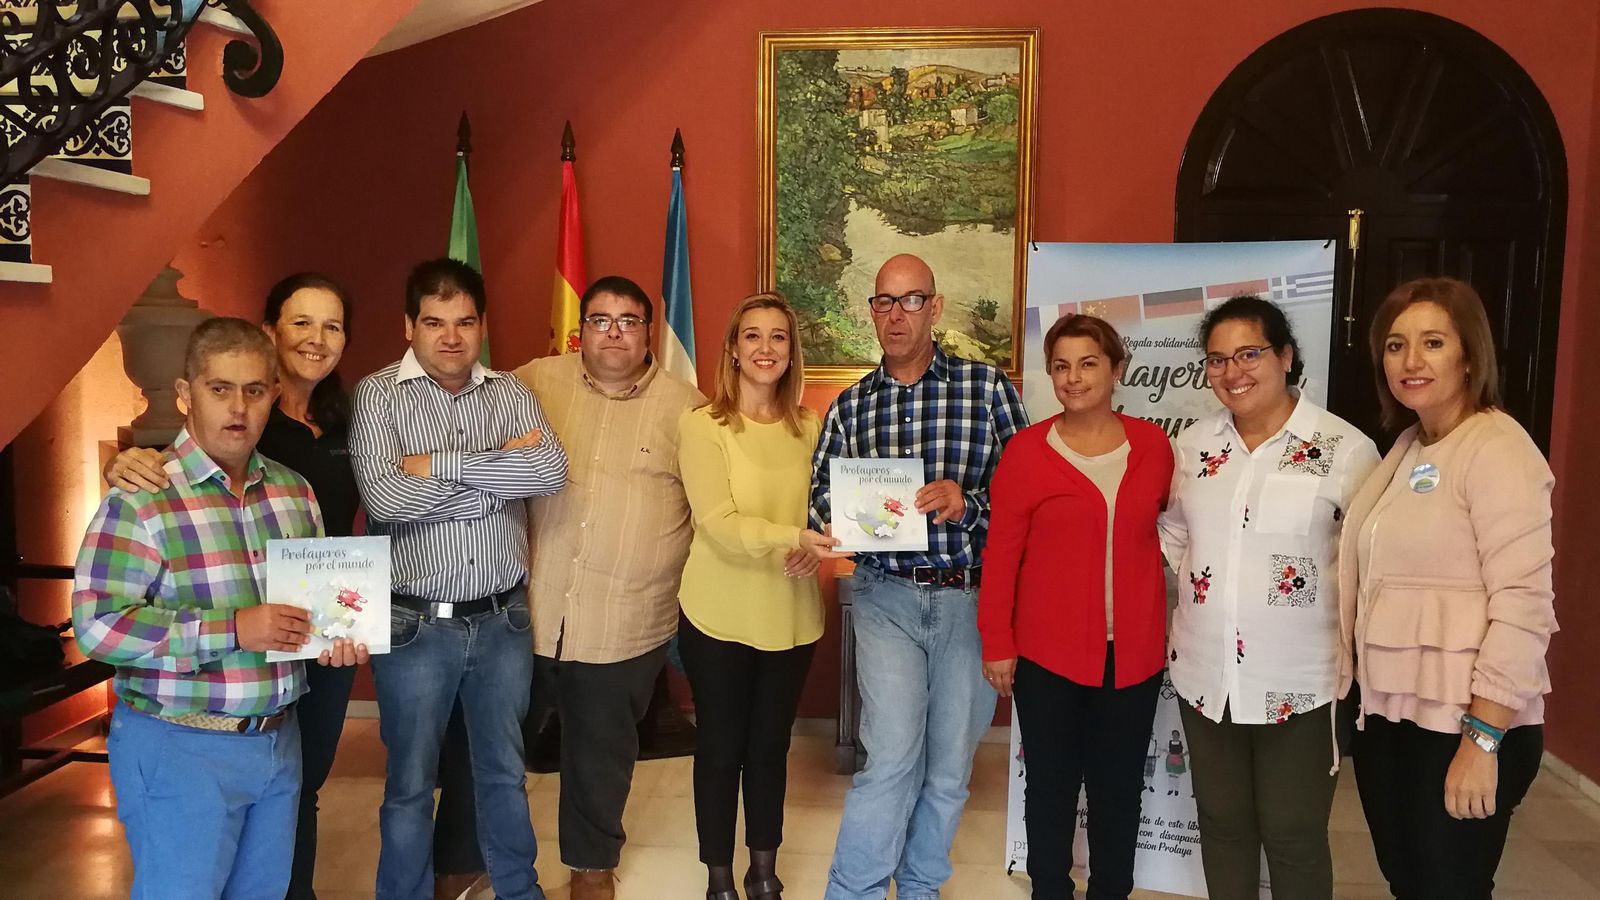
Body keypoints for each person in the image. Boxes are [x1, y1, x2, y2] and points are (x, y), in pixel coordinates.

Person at [105, 273, 488, 900]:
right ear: (270, 332)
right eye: (302, 322)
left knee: (297, 789)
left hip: (312, 642)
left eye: (332, 326)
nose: (317, 338)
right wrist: (123, 462)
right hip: (202, 694)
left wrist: (343, 625)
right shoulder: (205, 455)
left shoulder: (348, 422)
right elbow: (106, 614)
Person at [73, 316, 367, 900]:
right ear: (186, 393)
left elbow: (311, 610)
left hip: (278, 740)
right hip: (179, 743)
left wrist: (333, 637)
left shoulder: (294, 492)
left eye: (254, 390)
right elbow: (98, 628)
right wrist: (232, 629)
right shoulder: (142, 498)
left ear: (274, 395)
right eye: (219, 388)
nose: (238, 407)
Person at [811, 253, 1028, 900]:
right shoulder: (851, 407)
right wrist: (851, 517)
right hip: (885, 598)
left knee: (950, 767)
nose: (896, 315)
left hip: (969, 599)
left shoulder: (987, 390)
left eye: (911, 300)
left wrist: (970, 504)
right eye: (884, 301)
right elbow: (819, 502)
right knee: (891, 757)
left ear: (935, 308)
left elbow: (1026, 499)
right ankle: (853, 892)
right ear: (872, 311)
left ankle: (921, 885)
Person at [349, 258, 568, 900]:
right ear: (409, 326)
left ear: (482, 327)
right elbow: (386, 498)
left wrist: (438, 464)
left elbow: (549, 472)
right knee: (411, 785)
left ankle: (518, 890)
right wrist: (499, 470)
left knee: (503, 773)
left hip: (503, 620)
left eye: (465, 322)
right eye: (434, 322)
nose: (451, 337)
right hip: (414, 625)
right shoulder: (378, 395)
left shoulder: (510, 393)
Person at [1338, 277, 1557, 899]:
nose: (1411, 360)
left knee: (1450, 886)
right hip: (1393, 716)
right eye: (1395, 345)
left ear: (1469, 355)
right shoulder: (1409, 447)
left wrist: (1482, 741)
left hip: (1466, 724)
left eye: (1433, 342)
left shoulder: (1498, 448)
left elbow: (1523, 607)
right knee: (1409, 882)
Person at [1157, 295, 1379, 900]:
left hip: (1299, 681)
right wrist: (1222, 590)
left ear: (1285, 356)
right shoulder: (1193, 447)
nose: (1233, 372)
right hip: (1206, 675)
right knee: (1222, 825)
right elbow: (1175, 535)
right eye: (1217, 359)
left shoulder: (1345, 449)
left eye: (1249, 354)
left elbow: (1369, 559)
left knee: (1293, 834)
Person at [512, 275, 705, 900]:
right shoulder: (531, 383)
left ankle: (591, 867)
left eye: (628, 320)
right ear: (582, 329)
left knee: (601, 754)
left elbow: (709, 510)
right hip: (528, 610)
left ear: (648, 332)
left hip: (626, 617)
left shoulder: (689, 408)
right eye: (600, 319)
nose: (614, 332)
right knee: (493, 748)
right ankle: (478, 856)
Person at [977, 314, 1173, 900]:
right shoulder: (1026, 453)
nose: (1074, 378)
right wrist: (997, 642)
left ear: (1117, 369)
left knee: (1119, 789)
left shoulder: (1155, 448)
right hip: (1047, 657)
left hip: (1132, 657)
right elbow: (1001, 555)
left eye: (1088, 363)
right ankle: (1050, 890)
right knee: (1050, 787)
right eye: (1061, 366)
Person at [677, 293, 841, 900]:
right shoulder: (703, 426)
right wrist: (790, 537)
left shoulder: (812, 428)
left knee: (771, 748)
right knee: (721, 749)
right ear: (732, 349)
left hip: (791, 613)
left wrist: (819, 540)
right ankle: (719, 876)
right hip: (717, 613)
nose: (766, 348)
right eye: (753, 336)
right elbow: (718, 522)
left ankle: (763, 870)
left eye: (778, 337)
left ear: (792, 352)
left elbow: (823, 511)